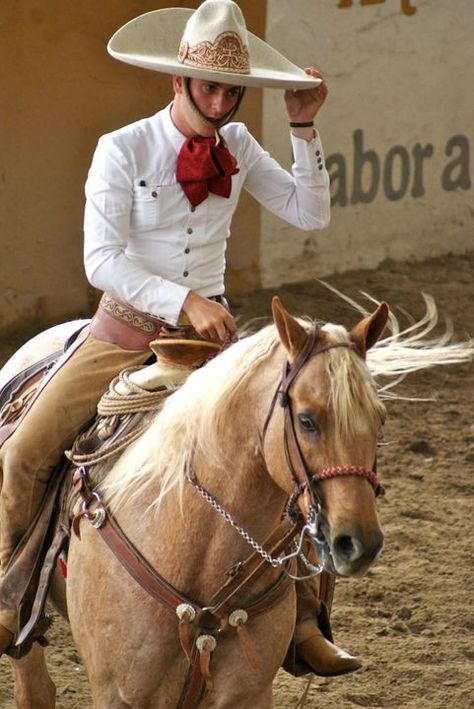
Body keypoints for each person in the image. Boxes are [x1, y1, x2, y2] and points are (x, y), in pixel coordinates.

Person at [0, 0, 360, 676]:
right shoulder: (123, 148)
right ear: (179, 81)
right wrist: (184, 299)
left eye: (233, 90)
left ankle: (305, 620)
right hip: (124, 331)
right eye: (211, 87)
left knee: (290, 450)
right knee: (23, 452)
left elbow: (312, 214)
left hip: (212, 342)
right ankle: (15, 599)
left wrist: (303, 124)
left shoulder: (242, 147)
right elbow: (100, 260)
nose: (222, 100)